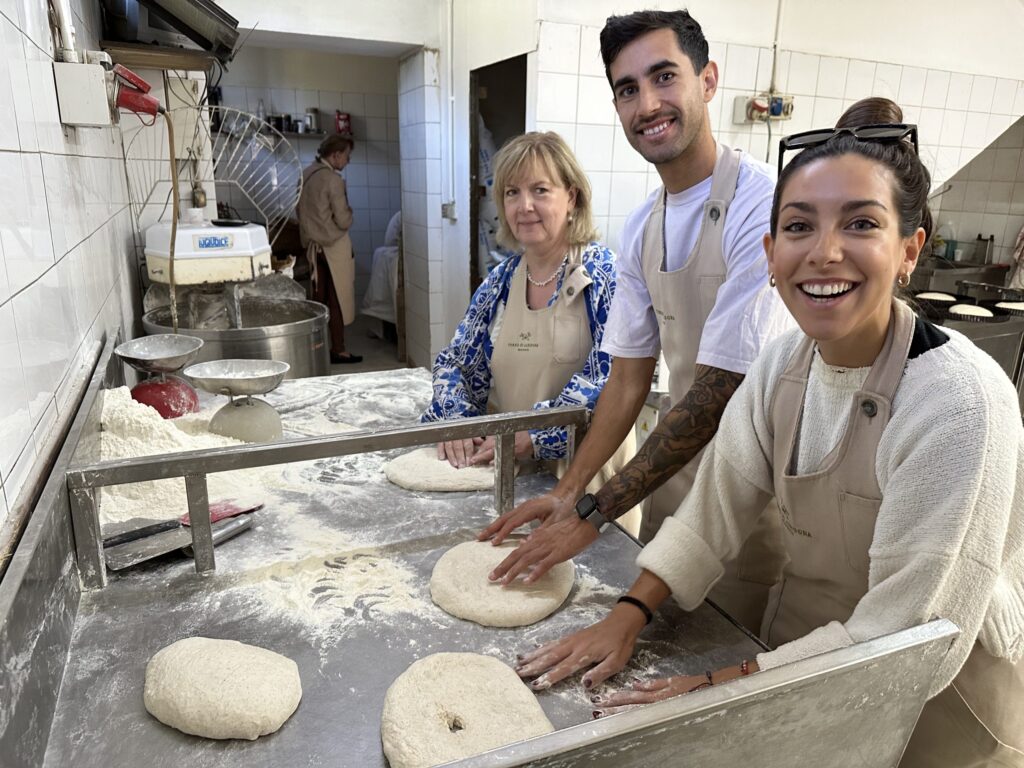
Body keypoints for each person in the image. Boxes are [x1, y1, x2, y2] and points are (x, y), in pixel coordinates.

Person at [514, 97, 1024, 767]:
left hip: (936, 706)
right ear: (770, 252)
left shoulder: (957, 398)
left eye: (861, 223)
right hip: (802, 657)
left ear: (909, 249)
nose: (825, 252)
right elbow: (711, 516)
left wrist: (717, 689)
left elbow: (903, 639)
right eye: (799, 226)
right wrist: (628, 612)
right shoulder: (782, 366)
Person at [481, 9, 794, 631]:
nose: (647, 103)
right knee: (657, 645)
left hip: (753, 491)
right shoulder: (644, 226)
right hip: (670, 484)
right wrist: (569, 492)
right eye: (628, 89)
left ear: (707, 80)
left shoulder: (764, 203)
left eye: (663, 77)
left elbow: (720, 389)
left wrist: (594, 513)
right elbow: (626, 379)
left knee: (719, 654)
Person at [421, 132, 635, 520]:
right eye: (511, 192)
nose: (524, 206)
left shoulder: (604, 275)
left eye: (540, 190)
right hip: (517, 480)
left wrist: (537, 435)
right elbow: (456, 361)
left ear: (571, 197)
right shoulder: (499, 282)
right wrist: (456, 418)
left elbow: (612, 376)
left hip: (589, 490)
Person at [298, 133, 362, 364]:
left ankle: (316, 349)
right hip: (333, 247)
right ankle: (339, 349)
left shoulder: (306, 174)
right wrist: (350, 213)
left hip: (313, 247)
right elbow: (343, 220)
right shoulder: (332, 180)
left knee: (318, 300)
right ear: (335, 155)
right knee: (338, 299)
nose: (348, 161)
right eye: (346, 155)